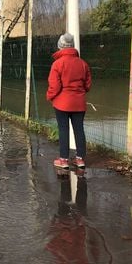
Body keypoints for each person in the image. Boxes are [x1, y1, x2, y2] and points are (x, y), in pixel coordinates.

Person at [46, 32, 92, 174]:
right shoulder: (83, 64)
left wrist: (49, 96)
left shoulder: (57, 64)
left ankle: (64, 160)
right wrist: (79, 92)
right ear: (72, 47)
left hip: (62, 103)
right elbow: (88, 84)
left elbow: (55, 86)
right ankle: (80, 159)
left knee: (63, 129)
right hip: (79, 103)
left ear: (60, 46)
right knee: (79, 130)